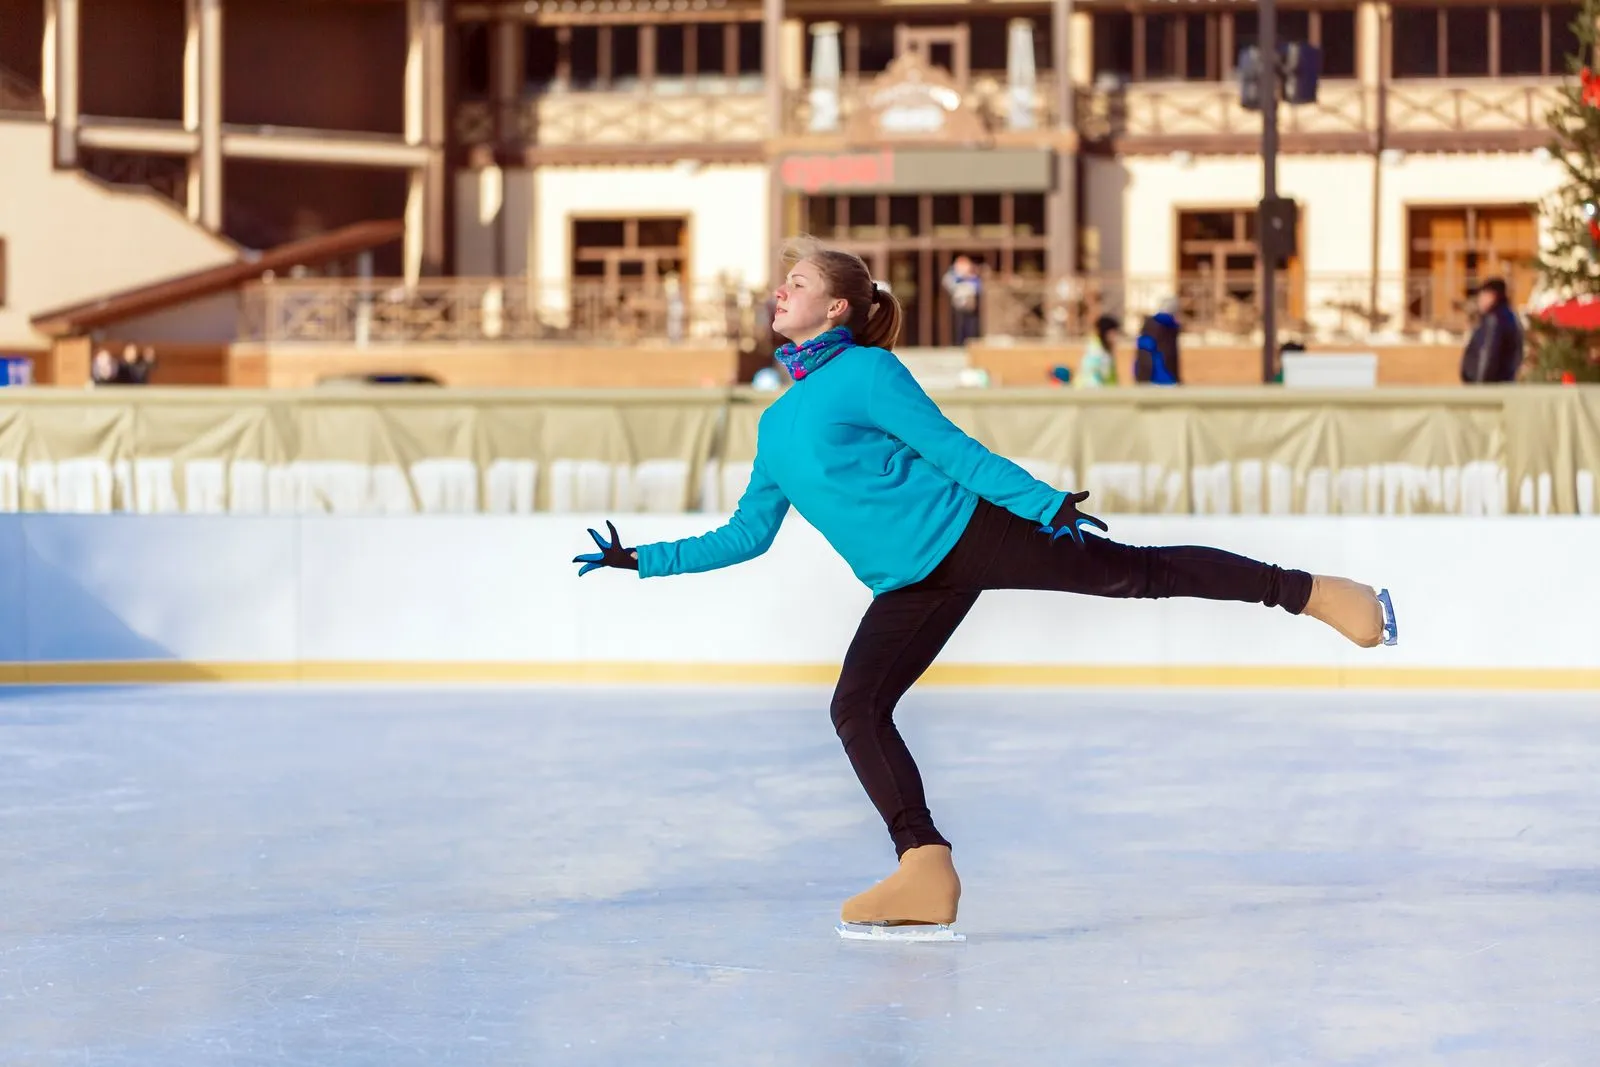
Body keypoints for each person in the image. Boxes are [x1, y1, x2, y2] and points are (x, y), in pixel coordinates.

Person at [571, 238, 1397, 937]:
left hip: (976, 529)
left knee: (1136, 573)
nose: (776, 291)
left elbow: (951, 448)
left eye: (798, 283)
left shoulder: (867, 371)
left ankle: (1314, 592)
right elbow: (746, 535)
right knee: (856, 706)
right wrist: (642, 559)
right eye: (780, 281)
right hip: (909, 581)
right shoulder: (775, 422)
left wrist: (1042, 505)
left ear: (837, 311)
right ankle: (924, 866)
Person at [1460, 277, 1524, 383]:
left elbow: (1488, 354)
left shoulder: (1494, 320)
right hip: (1502, 384)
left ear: (1492, 296)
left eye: (1482, 295)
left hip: (1488, 387)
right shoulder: (1508, 316)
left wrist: (1481, 385)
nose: (1479, 300)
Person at [1135, 296, 1182, 384]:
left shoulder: (1152, 327)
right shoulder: (1167, 328)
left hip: (1156, 379)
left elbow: (1143, 356)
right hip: (1162, 379)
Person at [941, 255, 982, 346]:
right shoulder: (952, 277)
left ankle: (970, 343)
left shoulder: (973, 278)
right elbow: (947, 284)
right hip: (957, 308)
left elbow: (978, 288)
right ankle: (957, 344)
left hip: (970, 308)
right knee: (958, 327)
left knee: (970, 327)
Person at [1078, 314, 1121, 387]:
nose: (1115, 337)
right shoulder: (1096, 350)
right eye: (1113, 333)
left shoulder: (1104, 349)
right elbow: (1098, 374)